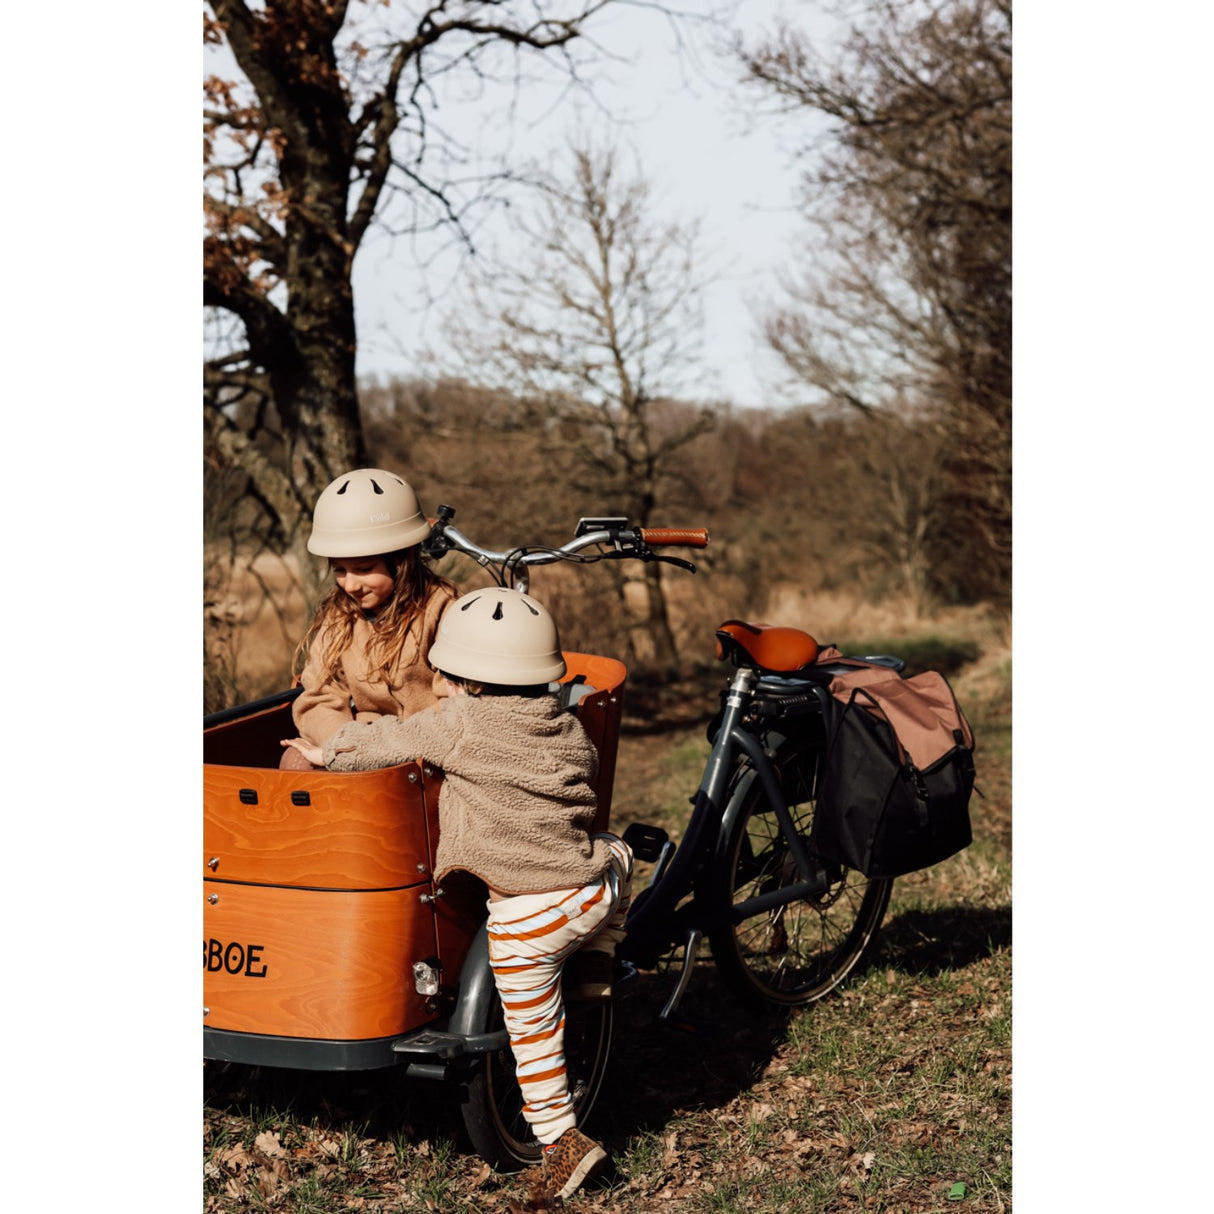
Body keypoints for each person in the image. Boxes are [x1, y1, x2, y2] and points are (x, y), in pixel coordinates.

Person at [282, 587, 633, 1201]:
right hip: (589, 887)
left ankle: (561, 1143)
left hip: (527, 916)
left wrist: (324, 750)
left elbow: (384, 744)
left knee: (534, 1034)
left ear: (467, 684)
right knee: (620, 852)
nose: (436, 683)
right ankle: (602, 950)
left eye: (443, 675)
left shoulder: (459, 724)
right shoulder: (566, 724)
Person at [279, 468, 458, 770]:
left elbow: (452, 707)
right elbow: (319, 695)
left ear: (402, 560)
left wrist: (377, 749)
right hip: (354, 746)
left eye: (364, 569)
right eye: (339, 570)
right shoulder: (340, 618)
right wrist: (346, 747)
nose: (349, 585)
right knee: (294, 760)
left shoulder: (444, 611)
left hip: (423, 753)